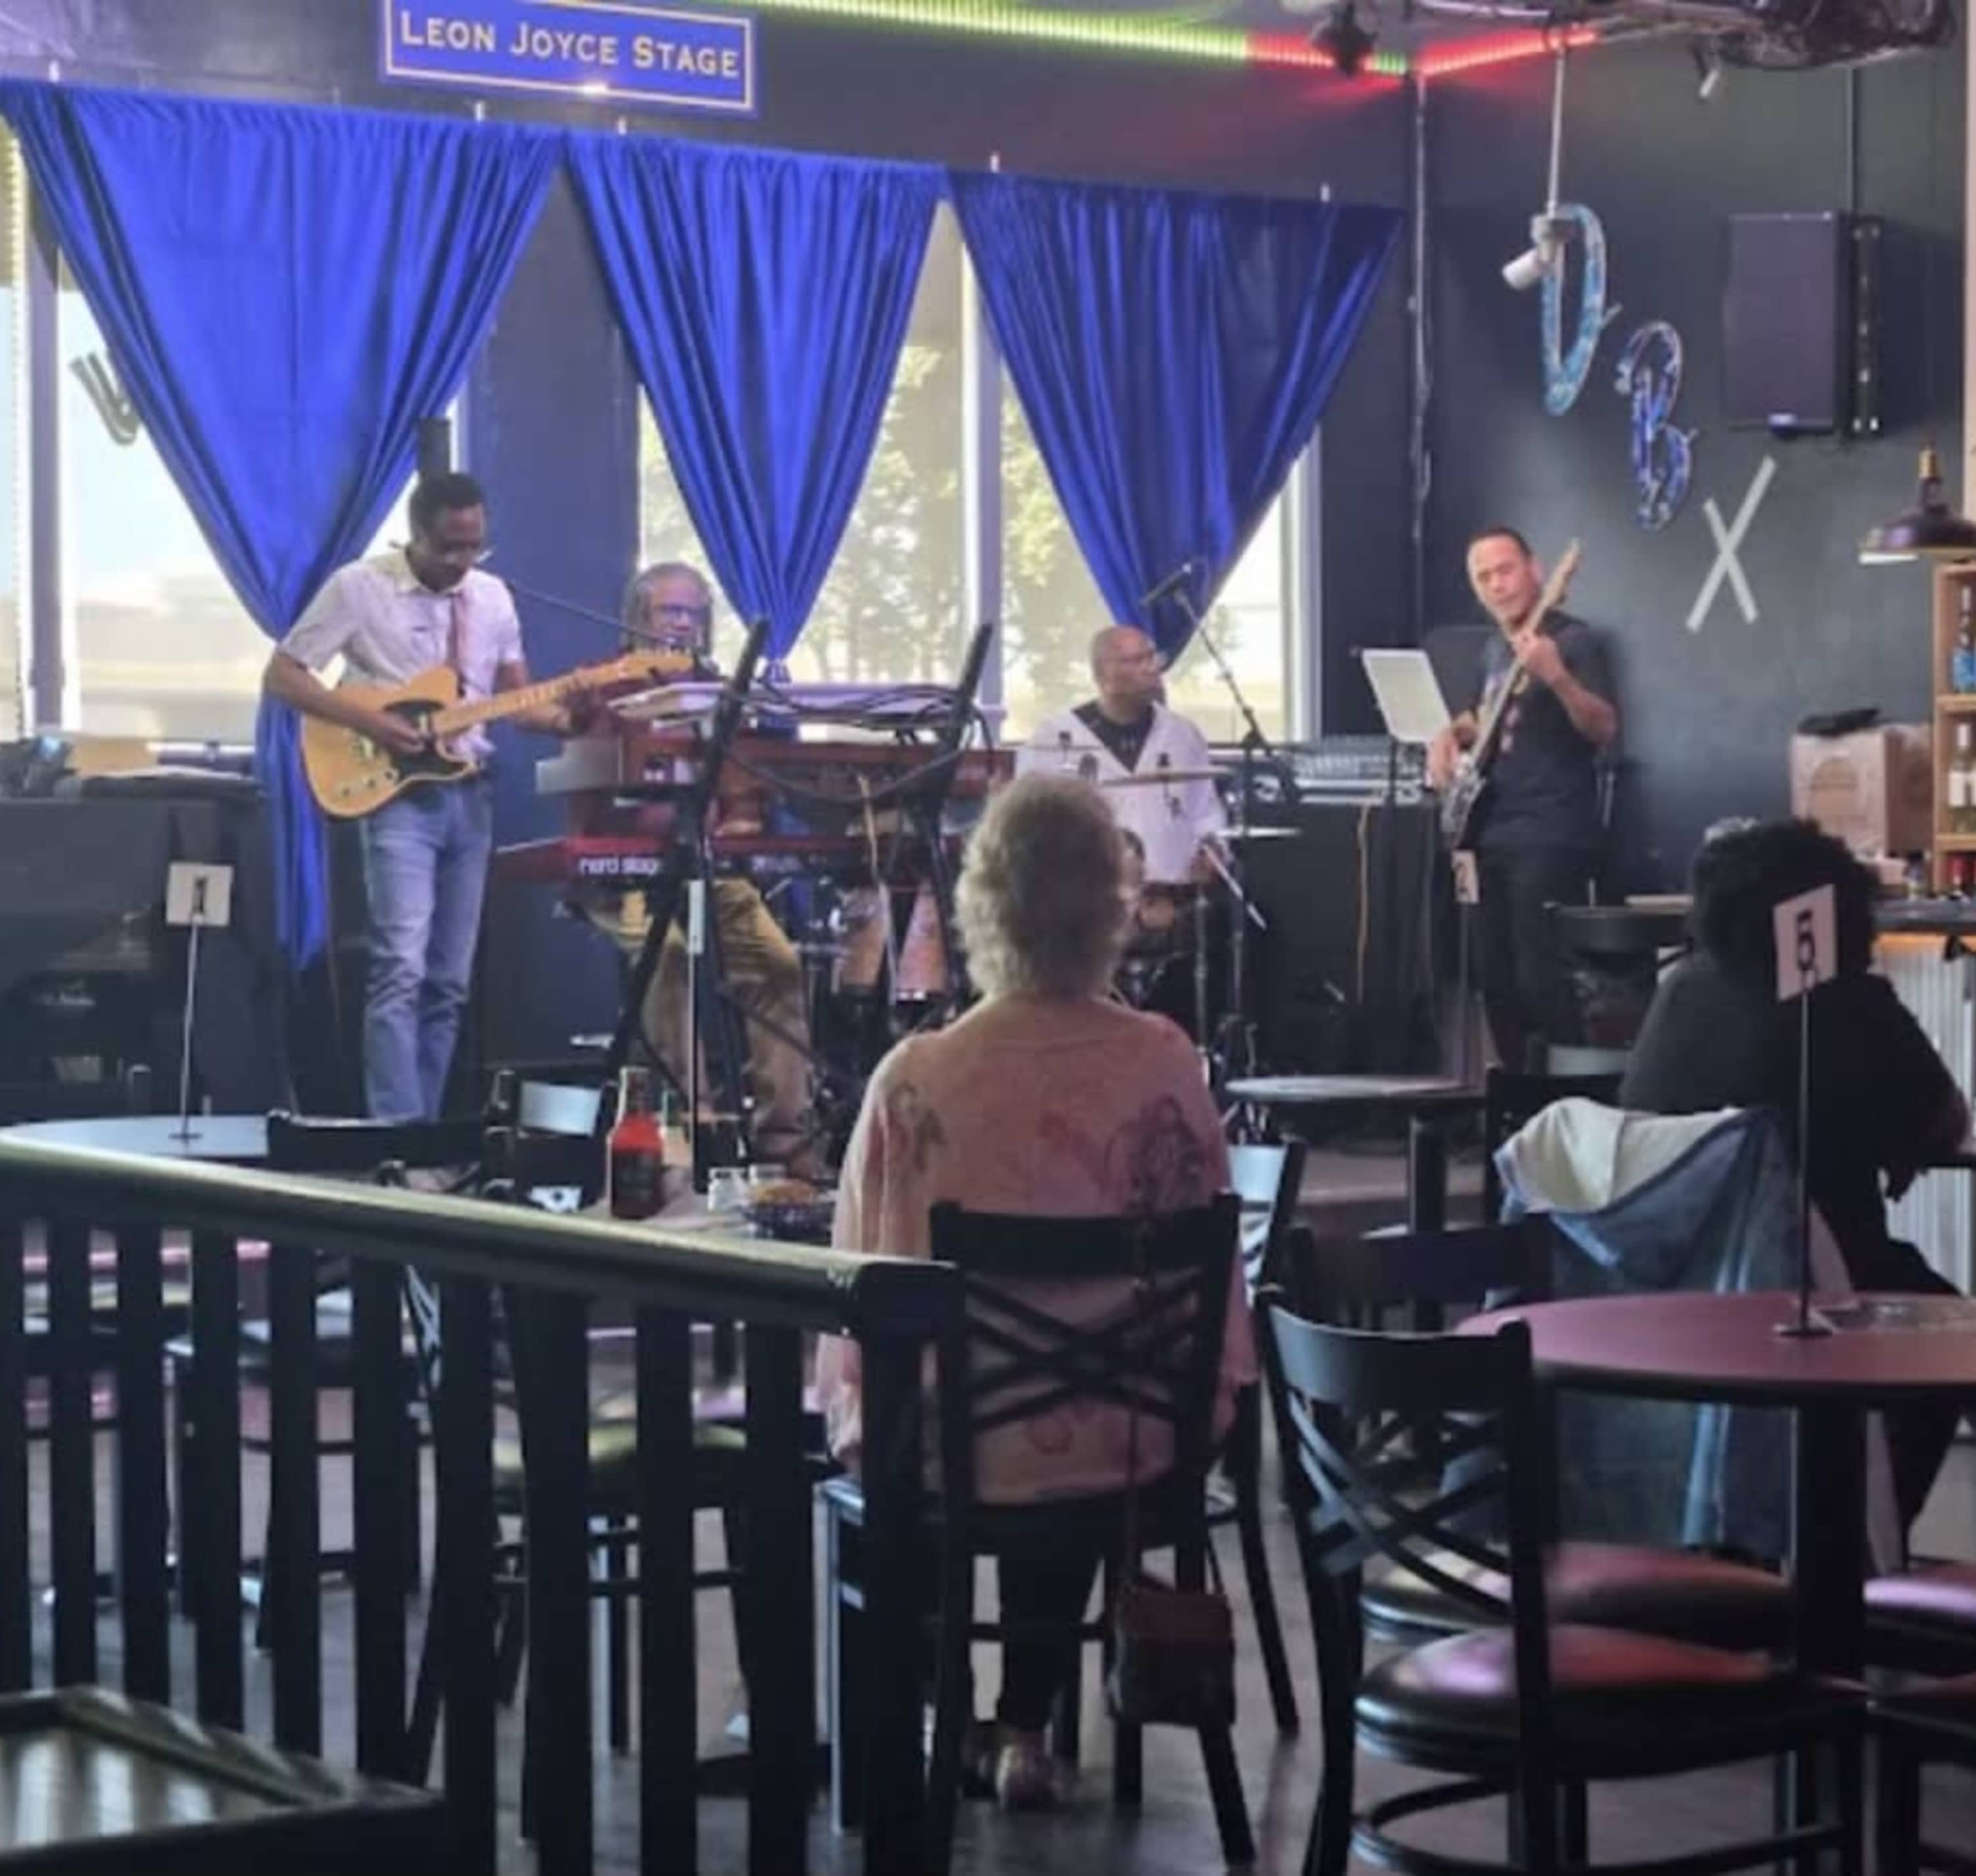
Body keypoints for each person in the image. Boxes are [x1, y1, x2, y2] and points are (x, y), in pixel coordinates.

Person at [814, 775, 1250, 1810]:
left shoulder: (918, 1076)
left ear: (980, 903)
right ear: (1111, 903)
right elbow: (1211, 1274)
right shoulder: (1166, 1062)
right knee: (1068, 1420)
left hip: (964, 1452)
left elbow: (860, 1288)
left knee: (912, 1430)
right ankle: (1023, 1725)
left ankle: (946, 1716)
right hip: (1137, 1445)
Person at [1621, 818, 1967, 1530]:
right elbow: (1945, 1123)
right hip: (1821, 1296)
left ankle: (1773, 1542)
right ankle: (1858, 1547)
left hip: (1670, 1290)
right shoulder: (1851, 1004)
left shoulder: (1678, 993)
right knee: (1951, 1332)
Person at [266, 472, 572, 1122]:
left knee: (449, 981)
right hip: (396, 794)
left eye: (475, 548)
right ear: (417, 536)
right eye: (449, 548)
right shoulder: (360, 586)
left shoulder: (493, 598)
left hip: (472, 794)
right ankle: (395, 1138)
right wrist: (374, 722)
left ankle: (426, 1136)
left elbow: (520, 700)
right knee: (399, 965)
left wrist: (578, 711)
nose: (463, 563)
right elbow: (284, 675)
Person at [583, 563, 819, 1176]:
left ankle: (786, 1144)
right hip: (625, 872)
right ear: (639, 618)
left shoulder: (721, 692)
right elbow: (584, 766)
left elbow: (745, 790)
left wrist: (743, 817)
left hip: (709, 868)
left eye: (692, 614)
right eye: (670, 612)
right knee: (667, 960)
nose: (683, 625)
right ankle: (694, 1136)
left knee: (780, 967)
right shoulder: (604, 683)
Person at [1427, 526, 1617, 1073]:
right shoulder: (1494, 648)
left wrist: (1556, 677)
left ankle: (1565, 1100)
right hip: (1490, 831)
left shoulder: (1575, 641)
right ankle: (1519, 1100)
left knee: (1540, 971)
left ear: (1537, 571)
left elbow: (1603, 727)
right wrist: (1449, 734)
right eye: (1483, 577)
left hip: (1550, 830)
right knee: (1494, 976)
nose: (1497, 585)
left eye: (1505, 570)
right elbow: (1483, 717)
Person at [1017, 625, 1225, 887]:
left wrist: (1213, 848)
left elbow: (1206, 813)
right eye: (1137, 661)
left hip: (1172, 898)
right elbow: (1032, 825)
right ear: (1102, 674)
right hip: (1090, 902)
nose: (1151, 669)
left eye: (1153, 658)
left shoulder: (1182, 735)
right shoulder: (1057, 737)